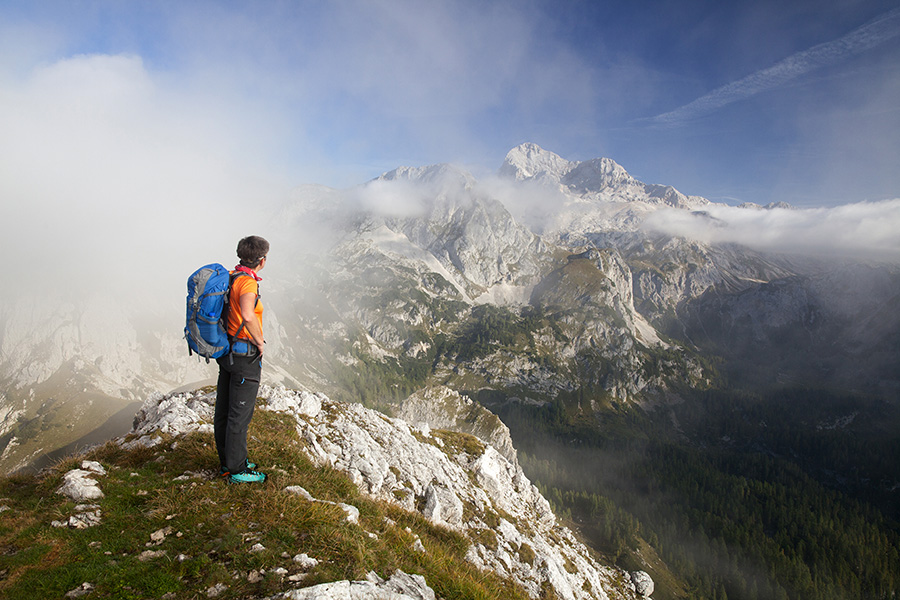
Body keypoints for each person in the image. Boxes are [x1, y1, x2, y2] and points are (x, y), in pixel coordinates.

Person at [215, 235, 269, 484]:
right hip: (244, 355)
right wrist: (259, 341)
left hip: (227, 353)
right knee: (240, 414)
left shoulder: (230, 276)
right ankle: (236, 471)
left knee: (225, 410)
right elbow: (247, 315)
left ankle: (230, 460)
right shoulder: (247, 283)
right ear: (262, 260)